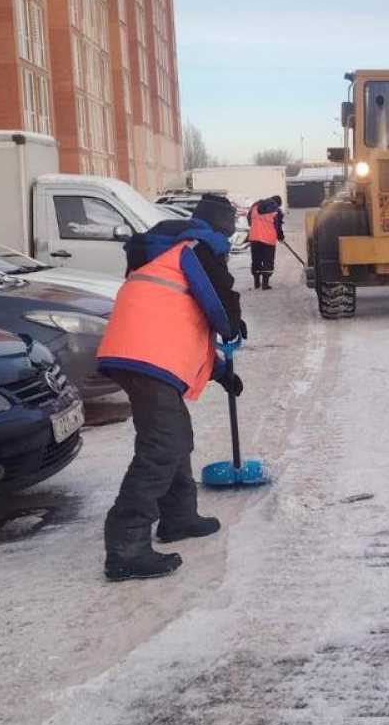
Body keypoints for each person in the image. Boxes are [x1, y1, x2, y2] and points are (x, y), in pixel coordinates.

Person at [97, 194, 245, 581]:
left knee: (175, 438)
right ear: (219, 224)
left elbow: (179, 322)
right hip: (145, 356)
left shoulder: (174, 251)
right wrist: (232, 322)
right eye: (229, 222)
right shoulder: (197, 248)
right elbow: (218, 301)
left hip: (141, 352)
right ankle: (126, 546)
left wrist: (221, 370)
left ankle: (178, 517)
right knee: (162, 447)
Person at [247, 196, 283, 289]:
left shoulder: (254, 206)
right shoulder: (276, 210)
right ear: (277, 203)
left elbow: (249, 220)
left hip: (254, 237)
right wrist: (280, 236)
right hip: (268, 239)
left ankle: (256, 282)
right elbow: (278, 226)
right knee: (268, 261)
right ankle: (265, 284)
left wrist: (256, 227)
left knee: (256, 260)